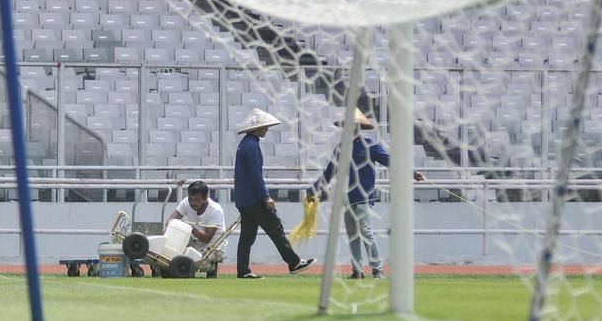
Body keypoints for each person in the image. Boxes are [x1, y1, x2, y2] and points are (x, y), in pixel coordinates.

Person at [307, 108, 425, 280]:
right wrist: (312, 190)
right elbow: (329, 173)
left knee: (366, 232)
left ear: (357, 126)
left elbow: (391, 161)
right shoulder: (340, 149)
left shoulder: (371, 145)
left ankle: (377, 269)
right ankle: (357, 270)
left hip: (364, 196)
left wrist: (412, 173)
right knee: (352, 234)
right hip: (346, 198)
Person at [233, 107, 315, 279]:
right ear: (256, 128)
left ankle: (243, 270)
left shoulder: (244, 145)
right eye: (264, 126)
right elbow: (256, 176)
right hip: (255, 199)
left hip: (244, 200)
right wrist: (265, 197)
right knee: (276, 231)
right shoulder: (252, 146)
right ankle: (294, 262)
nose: (266, 129)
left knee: (247, 236)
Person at [169, 180, 226, 252]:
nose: (193, 203)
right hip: (195, 243)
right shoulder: (186, 202)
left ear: (205, 199)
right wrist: (168, 230)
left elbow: (207, 238)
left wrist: (190, 227)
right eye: (191, 199)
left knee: (200, 262)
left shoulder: (215, 210)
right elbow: (172, 219)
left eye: (196, 199)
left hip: (215, 246)